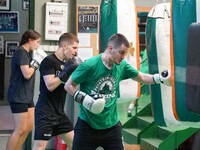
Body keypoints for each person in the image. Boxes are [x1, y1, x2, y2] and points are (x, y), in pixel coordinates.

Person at [64, 33, 171, 150]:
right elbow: (69, 85)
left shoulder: (122, 66)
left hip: (111, 126)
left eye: (125, 53)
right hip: (87, 126)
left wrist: (160, 78)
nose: (123, 56)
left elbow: (142, 77)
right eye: (121, 52)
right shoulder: (90, 65)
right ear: (111, 49)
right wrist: (86, 101)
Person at [33, 33, 82, 150]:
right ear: (65, 46)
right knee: (39, 147)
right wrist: (65, 72)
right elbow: (50, 85)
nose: (75, 52)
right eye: (74, 48)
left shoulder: (68, 64)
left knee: (76, 144)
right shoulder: (48, 61)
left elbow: (70, 86)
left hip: (59, 113)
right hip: (45, 112)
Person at [6, 30, 47, 150]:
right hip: (18, 95)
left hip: (27, 96)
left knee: (28, 128)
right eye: (37, 42)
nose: (38, 45)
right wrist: (36, 62)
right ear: (30, 40)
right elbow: (27, 74)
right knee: (20, 129)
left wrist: (36, 61)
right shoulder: (21, 52)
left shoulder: (29, 53)